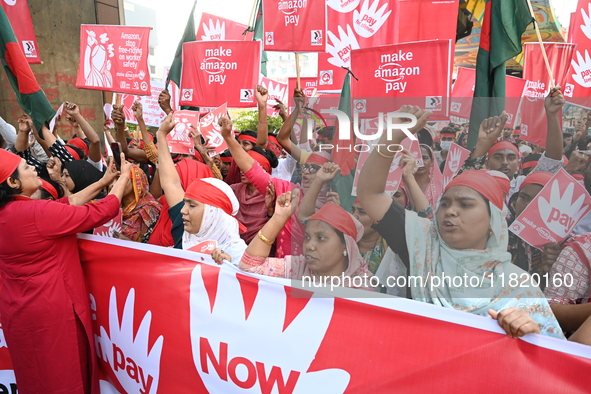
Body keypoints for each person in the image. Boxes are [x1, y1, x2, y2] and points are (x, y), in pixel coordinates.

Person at [357, 106, 564, 339]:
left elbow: (552, 356)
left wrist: (529, 331)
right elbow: (371, 194)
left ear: (492, 221)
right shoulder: (421, 246)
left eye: (465, 205)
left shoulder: (518, 286)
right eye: (444, 204)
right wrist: (393, 137)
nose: (451, 211)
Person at [0, 148, 132, 393]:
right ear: (12, 181)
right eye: (26, 167)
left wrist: (104, 181)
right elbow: (101, 211)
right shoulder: (36, 213)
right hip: (53, 314)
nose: (33, 168)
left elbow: (68, 203)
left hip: (17, 314)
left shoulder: (14, 214)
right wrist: (124, 178)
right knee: (66, 376)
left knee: (33, 375)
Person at [237, 191, 375, 291]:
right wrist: (279, 217)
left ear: (346, 246)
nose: (309, 246)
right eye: (307, 237)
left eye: (321, 238)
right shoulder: (298, 268)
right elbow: (249, 267)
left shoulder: (361, 289)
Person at [157, 113, 246, 264]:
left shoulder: (239, 254)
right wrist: (161, 134)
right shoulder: (185, 230)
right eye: (185, 203)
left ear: (213, 213)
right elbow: (171, 183)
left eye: (192, 205)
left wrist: (229, 267)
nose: (183, 211)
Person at [231, 146, 278, 243]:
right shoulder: (234, 190)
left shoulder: (273, 193)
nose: (242, 170)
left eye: (247, 167)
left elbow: (276, 228)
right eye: (241, 165)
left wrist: (270, 210)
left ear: (262, 169)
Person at [119, 165, 161, 242]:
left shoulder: (149, 209)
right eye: (114, 179)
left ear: (137, 183)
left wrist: (129, 243)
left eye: (123, 179)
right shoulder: (109, 207)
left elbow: (155, 245)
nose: (115, 184)